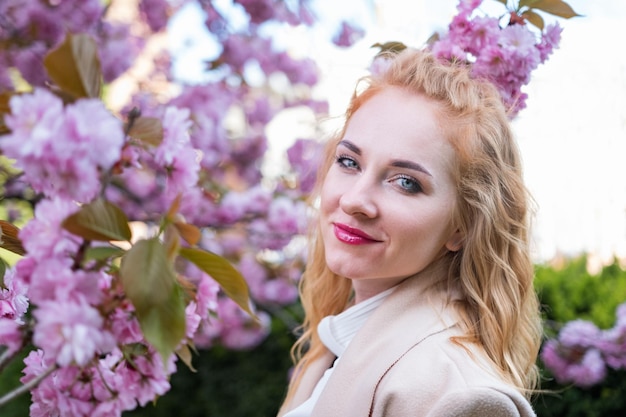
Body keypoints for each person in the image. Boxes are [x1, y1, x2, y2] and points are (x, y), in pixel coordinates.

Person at [276, 47, 542, 417]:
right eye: (349, 161)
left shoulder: (458, 398)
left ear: (462, 227)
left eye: (405, 182)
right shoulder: (335, 346)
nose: (355, 200)